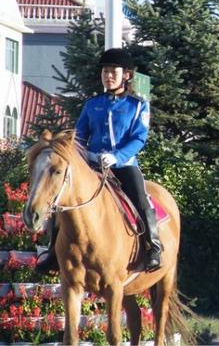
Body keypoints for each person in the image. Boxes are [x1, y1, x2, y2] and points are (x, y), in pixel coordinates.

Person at [36, 48, 162, 273]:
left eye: (113, 71)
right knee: (61, 203)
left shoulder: (138, 105)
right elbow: (80, 135)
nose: (108, 76)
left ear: (127, 75)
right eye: (105, 71)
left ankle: (153, 246)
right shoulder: (92, 104)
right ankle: (53, 252)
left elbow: (139, 137)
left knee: (141, 198)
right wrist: (85, 154)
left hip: (123, 166)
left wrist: (117, 156)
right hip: (91, 166)